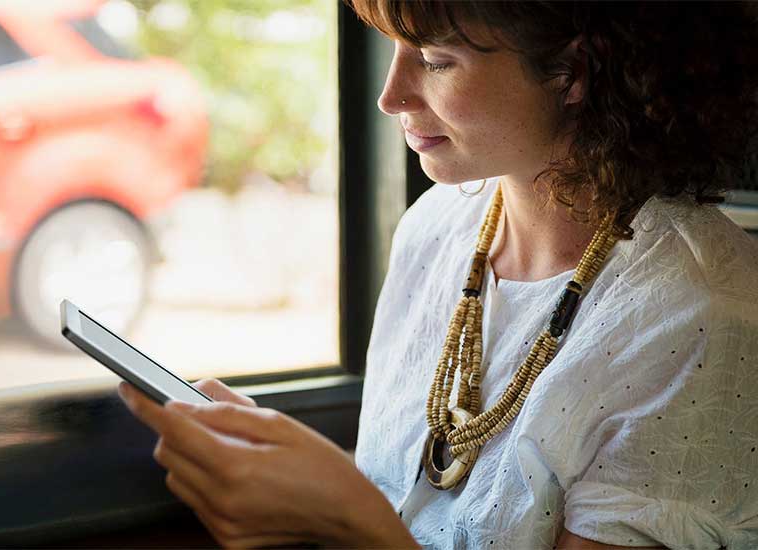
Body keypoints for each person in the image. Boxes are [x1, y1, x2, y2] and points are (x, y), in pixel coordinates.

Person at [118, 1, 758, 548]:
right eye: (392, 49)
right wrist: (288, 474)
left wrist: (345, 516)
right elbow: (431, 507)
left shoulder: (698, 317)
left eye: (434, 60)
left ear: (572, 73)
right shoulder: (440, 227)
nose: (390, 95)